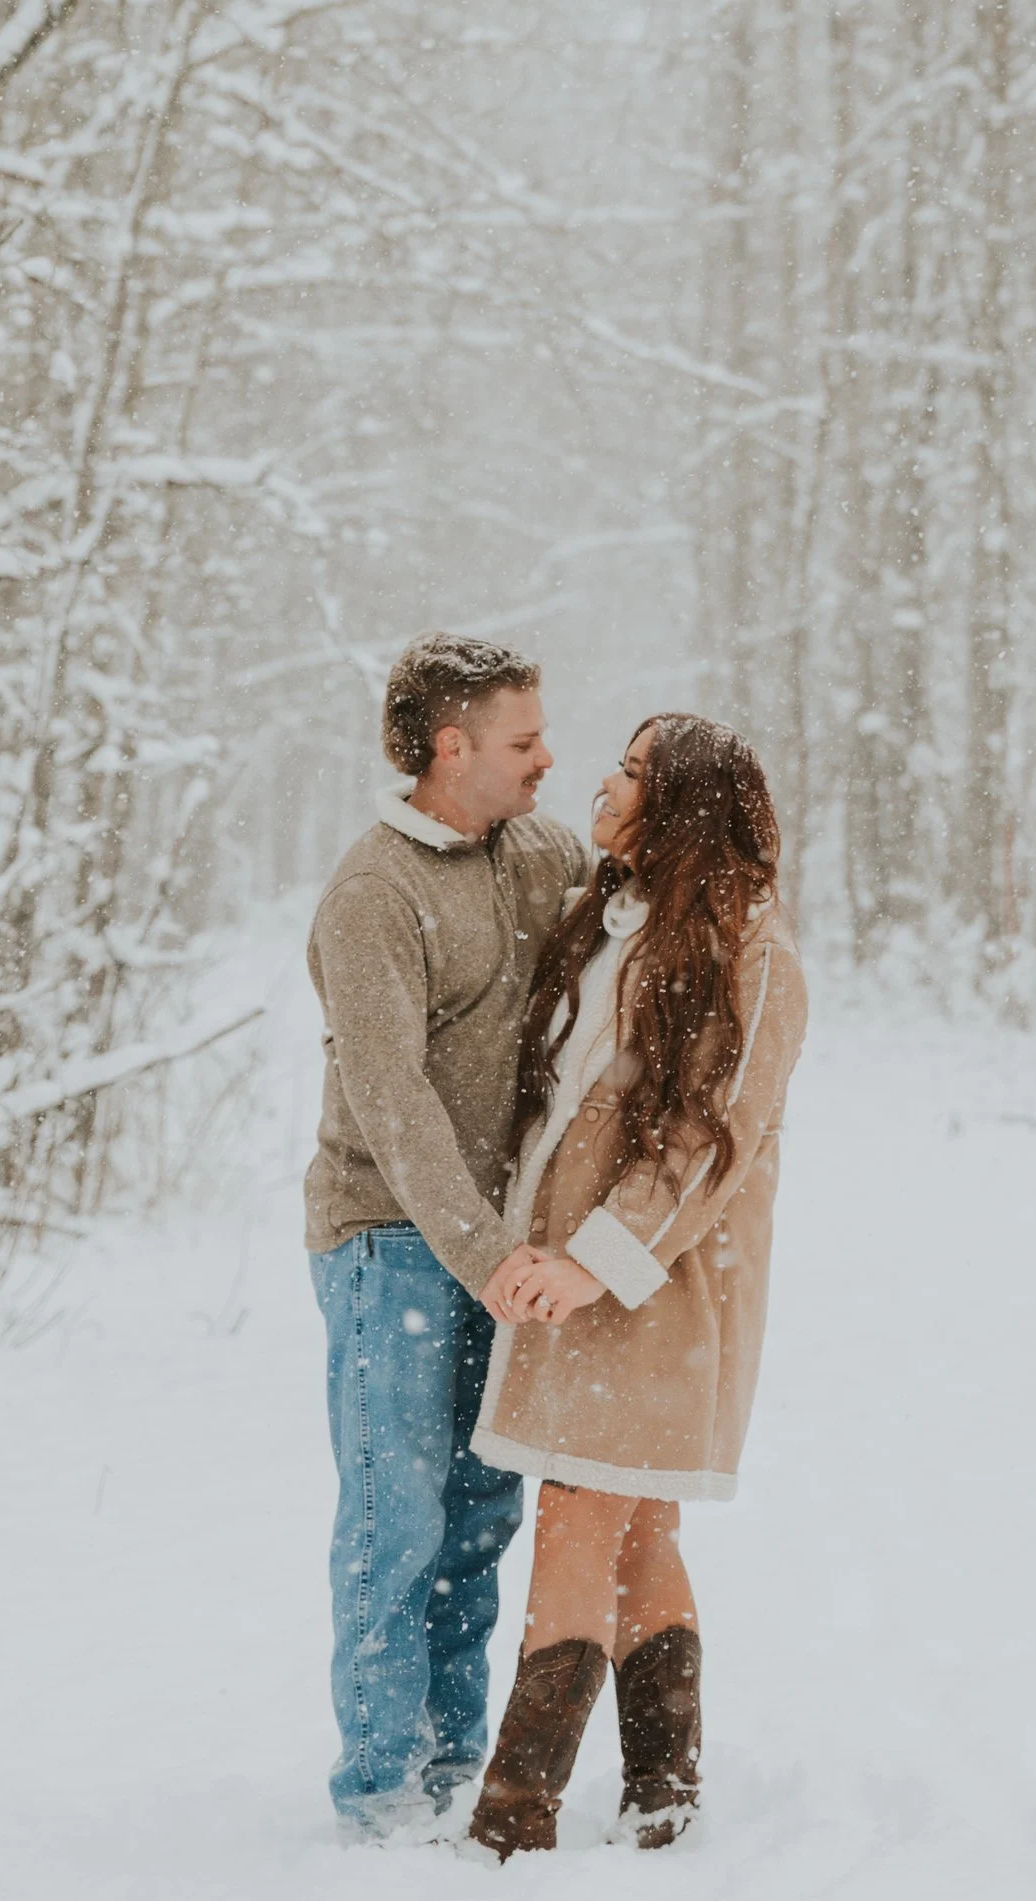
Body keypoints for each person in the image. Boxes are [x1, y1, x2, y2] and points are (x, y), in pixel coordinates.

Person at [461, 714, 806, 1861]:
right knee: (635, 1521)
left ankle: (514, 1818)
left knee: (577, 1512)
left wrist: (593, 1260)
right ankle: (664, 1791)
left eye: (630, 769)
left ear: (683, 804)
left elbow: (712, 1140)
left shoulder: (753, 946)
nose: (604, 782)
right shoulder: (617, 914)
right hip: (583, 1277)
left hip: (659, 1286)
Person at [304, 634, 588, 1842]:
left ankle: (454, 1763)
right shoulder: (375, 892)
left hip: (502, 1254)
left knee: (479, 1519)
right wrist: (485, 1255)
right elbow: (392, 1101)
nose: (547, 758)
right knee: (395, 1520)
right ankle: (379, 1795)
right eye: (523, 740)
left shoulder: (540, 852)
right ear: (448, 745)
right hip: (389, 1241)